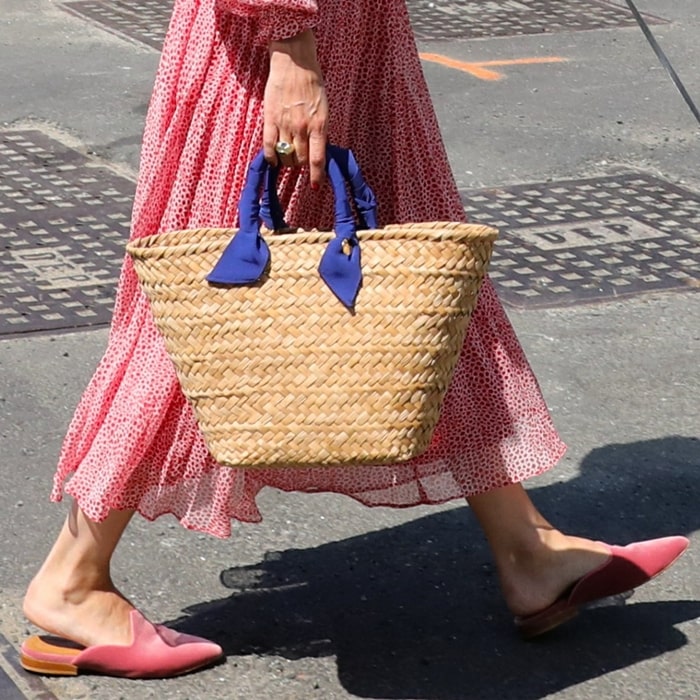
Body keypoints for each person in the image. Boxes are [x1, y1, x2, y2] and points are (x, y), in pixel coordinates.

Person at [20, 0, 688, 679]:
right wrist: (288, 43)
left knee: (420, 297)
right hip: (283, 43)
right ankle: (72, 577)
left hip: (356, 37)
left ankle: (527, 549)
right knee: (211, 299)